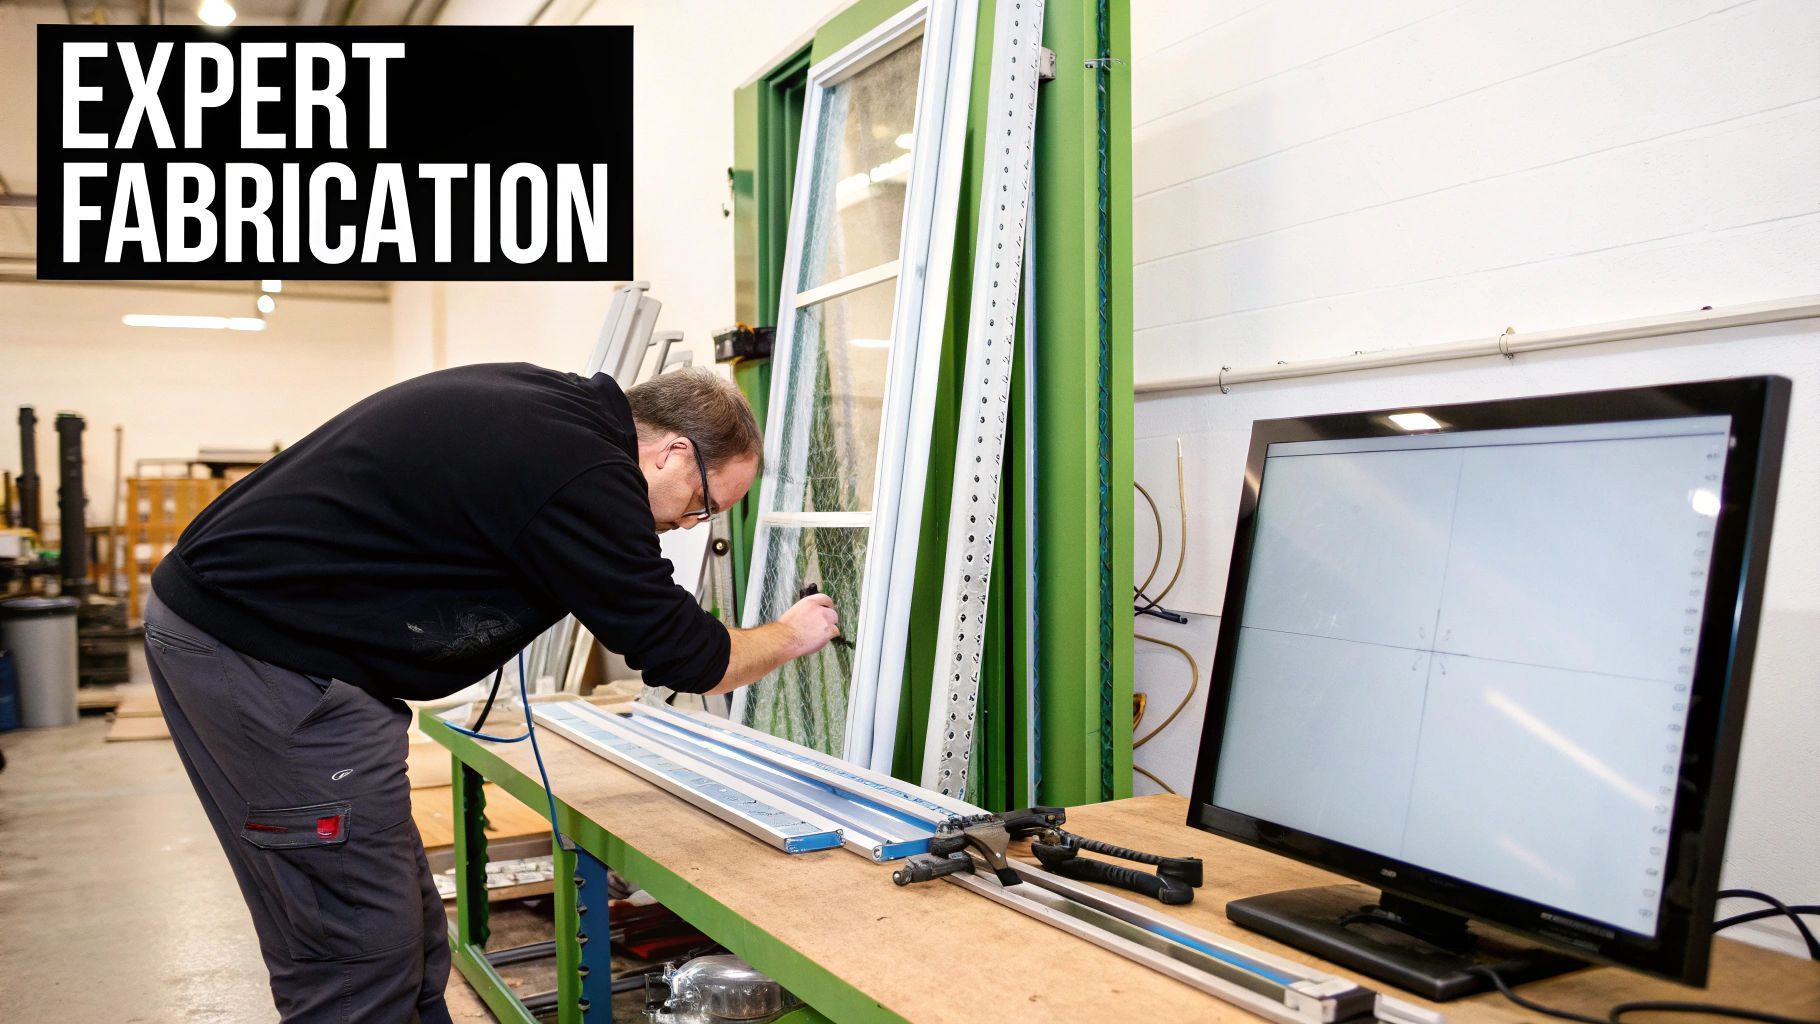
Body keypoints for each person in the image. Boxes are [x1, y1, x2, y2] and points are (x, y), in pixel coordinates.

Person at [142, 363, 838, 1023]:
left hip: (276, 646)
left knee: (407, 930)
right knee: (356, 951)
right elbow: (687, 654)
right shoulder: (587, 474)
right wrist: (791, 634)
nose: (688, 524)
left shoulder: (559, 413)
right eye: (703, 506)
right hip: (261, 657)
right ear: (674, 455)